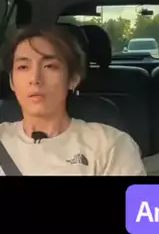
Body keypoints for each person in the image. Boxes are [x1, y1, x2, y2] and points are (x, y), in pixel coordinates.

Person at [0, 25, 146, 175]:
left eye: (49, 66)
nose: (35, 79)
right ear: (12, 81)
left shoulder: (110, 145)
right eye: (23, 67)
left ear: (73, 79)